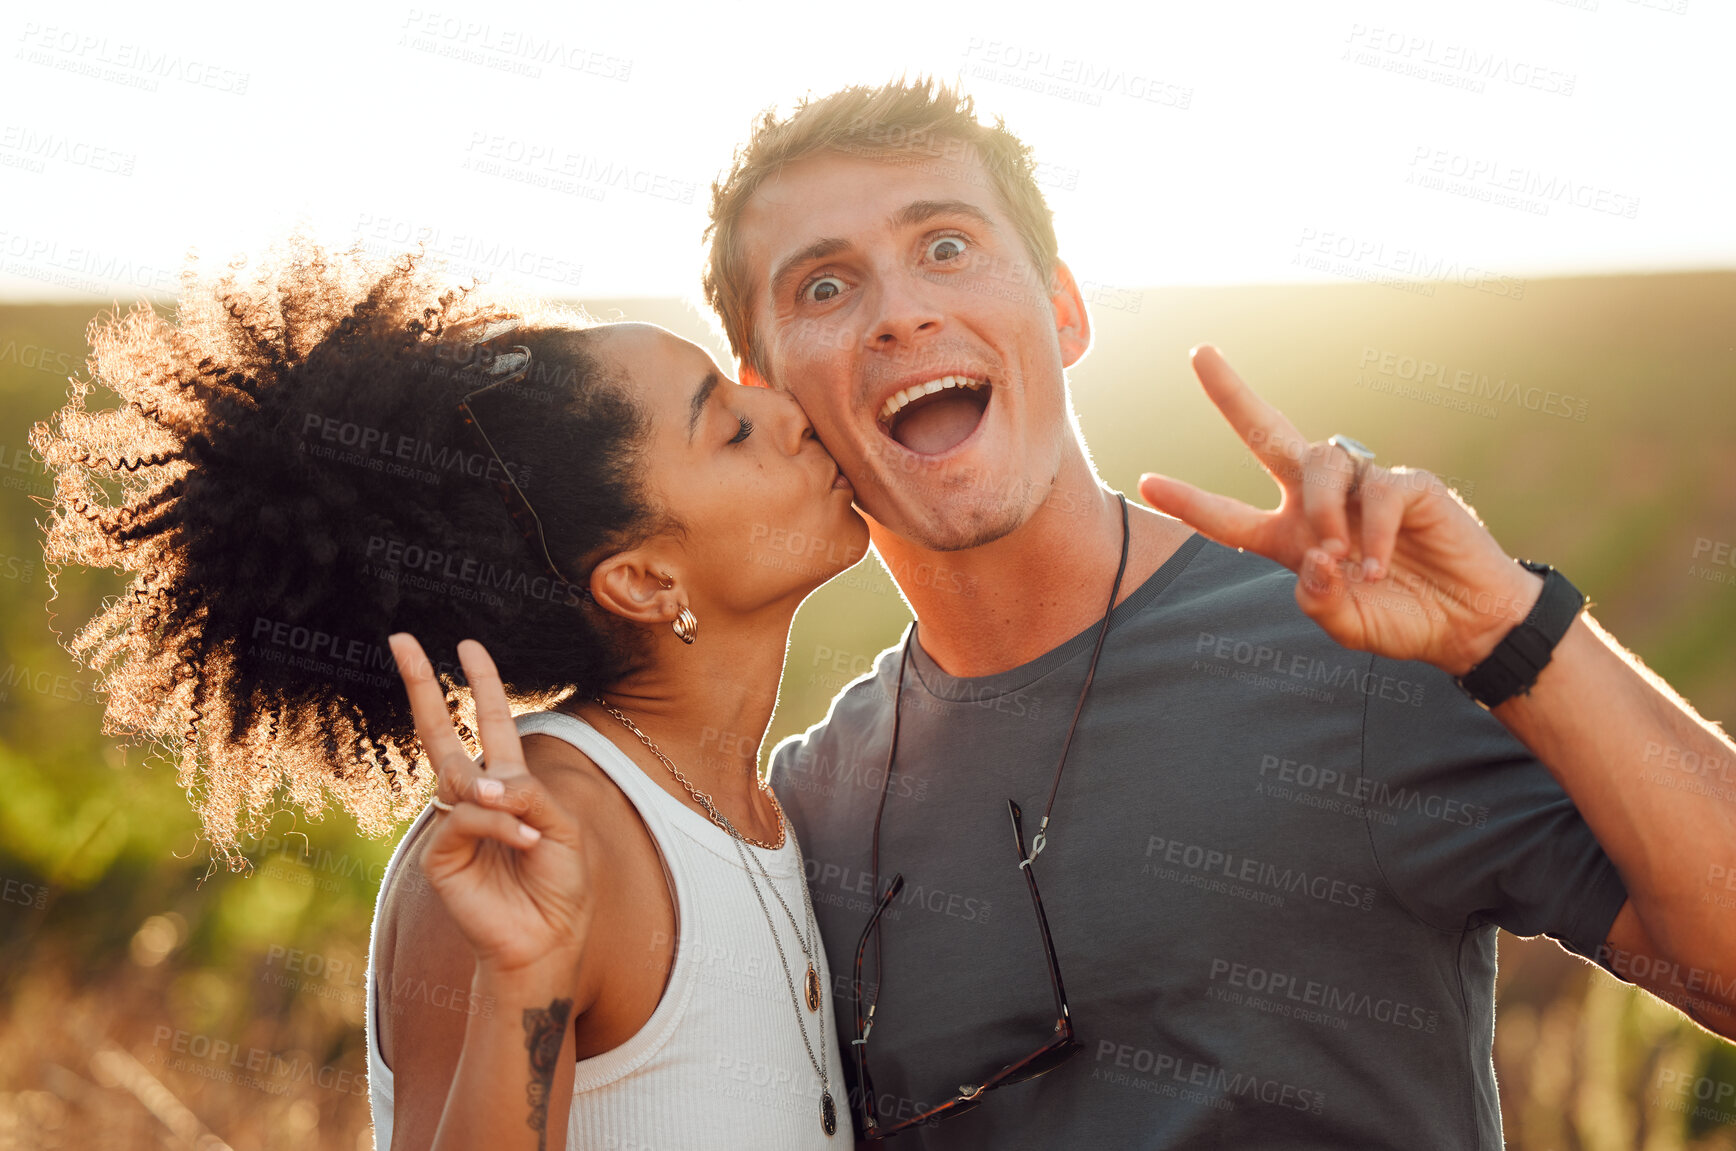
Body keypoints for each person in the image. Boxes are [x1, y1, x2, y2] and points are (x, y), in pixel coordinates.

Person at [699, 80, 1736, 1146]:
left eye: (948, 247)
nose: (901, 312)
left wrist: (1510, 630)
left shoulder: (1339, 650)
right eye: (823, 287)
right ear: (768, 397)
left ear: (1062, 309)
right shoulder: (804, 811)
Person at [33, 241, 867, 1149]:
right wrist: (525, 975)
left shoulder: (762, 810)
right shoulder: (535, 832)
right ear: (642, 580)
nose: (785, 410)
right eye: (731, 427)